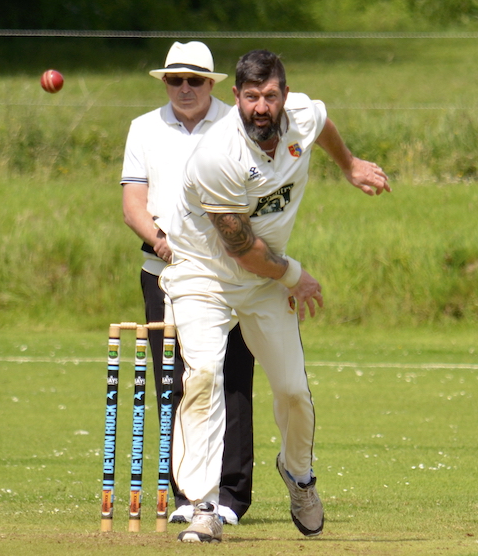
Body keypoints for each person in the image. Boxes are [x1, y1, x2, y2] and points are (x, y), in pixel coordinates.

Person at [162, 49, 390, 543]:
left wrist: (348, 165)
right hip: (205, 274)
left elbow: (322, 124)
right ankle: (203, 503)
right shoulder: (215, 157)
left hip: (265, 280)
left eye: (269, 96)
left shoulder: (303, 115)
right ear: (236, 98)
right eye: (250, 98)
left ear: (285, 95)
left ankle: (299, 477)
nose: (261, 107)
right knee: (202, 375)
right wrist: (296, 277)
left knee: (292, 390)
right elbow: (242, 249)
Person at [119, 41, 256, 526]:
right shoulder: (144, 128)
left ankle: (232, 498)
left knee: (232, 380)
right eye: (175, 80)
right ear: (165, 83)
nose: (184, 88)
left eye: (194, 80)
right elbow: (134, 200)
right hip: (165, 273)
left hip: (230, 274)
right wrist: (158, 240)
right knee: (175, 379)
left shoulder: (236, 124)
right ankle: (189, 495)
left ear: (211, 84)